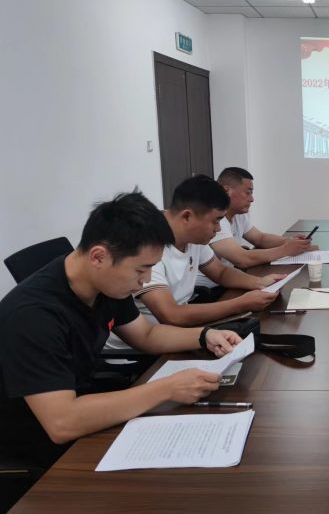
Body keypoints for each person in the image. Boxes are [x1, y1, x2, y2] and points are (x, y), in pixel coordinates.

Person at [0, 191, 241, 469]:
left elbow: (146, 335)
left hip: (85, 405)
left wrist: (204, 335)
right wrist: (166, 389)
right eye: (141, 270)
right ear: (98, 257)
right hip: (36, 447)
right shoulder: (33, 316)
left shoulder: (105, 284)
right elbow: (62, 423)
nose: (145, 281)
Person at [117, 176, 283, 343]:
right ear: (187, 217)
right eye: (215, 221)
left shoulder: (193, 236)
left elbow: (220, 272)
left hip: (178, 332)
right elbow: (171, 315)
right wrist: (240, 304)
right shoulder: (148, 245)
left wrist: (259, 283)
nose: (218, 228)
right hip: (151, 345)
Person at [195, 168, 316, 288]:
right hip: (209, 289)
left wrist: (292, 242)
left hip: (225, 282)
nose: (252, 199)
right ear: (227, 191)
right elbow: (241, 258)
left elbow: (260, 238)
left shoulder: (238, 215)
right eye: (248, 193)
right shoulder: (214, 222)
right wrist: (286, 250)